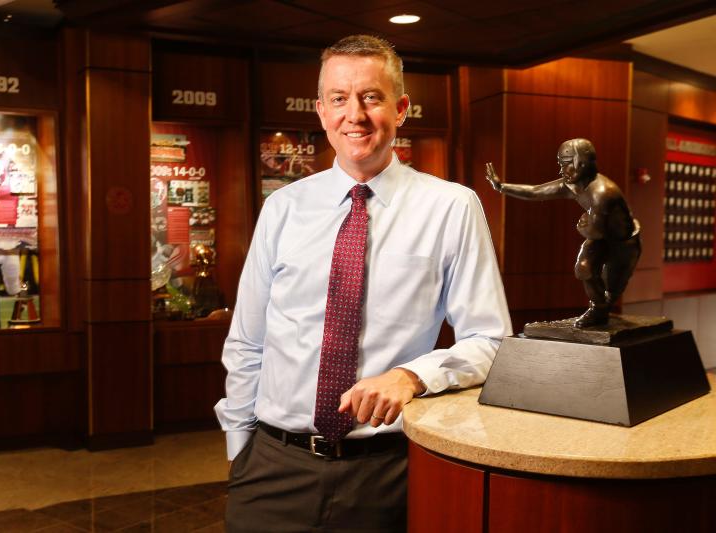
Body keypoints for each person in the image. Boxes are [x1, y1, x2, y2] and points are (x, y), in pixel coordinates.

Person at [215, 35, 511, 532]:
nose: (355, 114)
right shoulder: (282, 208)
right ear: (321, 110)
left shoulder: (452, 207)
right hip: (272, 469)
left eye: (371, 97)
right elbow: (248, 341)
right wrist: (241, 449)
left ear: (401, 109)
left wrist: (412, 375)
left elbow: (491, 341)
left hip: (388, 473)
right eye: (339, 99)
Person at [485, 138, 641, 327]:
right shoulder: (572, 185)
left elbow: (595, 231)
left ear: (580, 163)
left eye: (565, 164)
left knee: (612, 291)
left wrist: (583, 226)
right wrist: (502, 187)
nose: (561, 170)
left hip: (623, 244)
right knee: (584, 268)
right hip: (600, 237)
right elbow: (536, 192)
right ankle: (598, 310)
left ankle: (603, 308)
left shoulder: (602, 193)